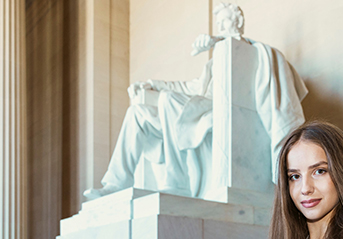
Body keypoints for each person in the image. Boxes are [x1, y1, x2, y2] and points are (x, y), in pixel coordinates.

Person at [84, 3, 307, 199]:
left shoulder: (251, 53)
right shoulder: (214, 62)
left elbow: (239, 59)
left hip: (219, 109)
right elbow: (190, 87)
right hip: (196, 110)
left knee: (169, 101)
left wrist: (220, 42)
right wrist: (153, 84)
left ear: (238, 21)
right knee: (137, 113)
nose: (222, 25)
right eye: (219, 23)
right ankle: (115, 183)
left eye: (226, 20)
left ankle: (177, 182)